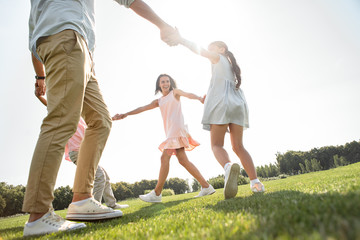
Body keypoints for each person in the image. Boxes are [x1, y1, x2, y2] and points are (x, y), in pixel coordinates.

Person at [23, 0, 178, 237]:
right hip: (67, 36)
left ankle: (82, 199)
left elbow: (34, 37)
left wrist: (40, 76)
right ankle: (39, 214)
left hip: (79, 48)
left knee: (101, 121)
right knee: (61, 121)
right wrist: (162, 24)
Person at [174, 33, 265, 199]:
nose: (210, 52)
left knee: (217, 145)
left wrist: (180, 40)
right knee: (239, 146)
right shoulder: (232, 67)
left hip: (221, 104)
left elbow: (199, 50)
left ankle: (228, 167)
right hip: (238, 104)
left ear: (222, 49)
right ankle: (256, 183)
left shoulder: (218, 58)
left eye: (212, 49)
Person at [112, 74, 215, 203]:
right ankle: (206, 186)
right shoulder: (159, 101)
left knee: (164, 157)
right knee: (183, 160)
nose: (165, 83)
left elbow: (188, 94)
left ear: (170, 83)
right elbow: (142, 108)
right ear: (159, 85)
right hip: (173, 132)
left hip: (176, 130)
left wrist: (200, 98)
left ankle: (157, 193)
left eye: (167, 81)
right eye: (162, 82)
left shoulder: (175, 93)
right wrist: (125, 114)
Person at [34, 91, 129, 210]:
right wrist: (39, 96)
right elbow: (49, 104)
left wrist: (112, 118)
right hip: (76, 152)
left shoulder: (83, 116)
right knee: (99, 176)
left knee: (105, 176)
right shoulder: (65, 114)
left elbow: (99, 119)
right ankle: (94, 207)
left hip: (85, 151)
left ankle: (112, 204)